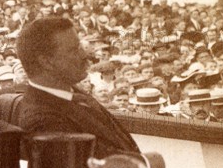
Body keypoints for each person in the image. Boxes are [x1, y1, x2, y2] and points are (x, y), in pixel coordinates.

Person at [16, 17, 141, 159]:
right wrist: (147, 162)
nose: (84, 55)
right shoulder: (41, 120)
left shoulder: (73, 93)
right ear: (47, 62)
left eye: (80, 47)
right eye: (74, 50)